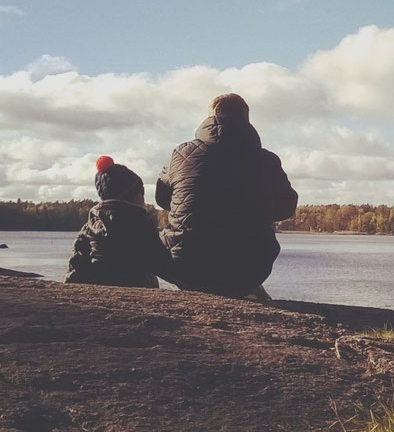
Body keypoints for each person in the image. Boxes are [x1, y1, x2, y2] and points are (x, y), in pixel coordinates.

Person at [156, 93, 298, 298]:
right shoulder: (267, 160)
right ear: (246, 119)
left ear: (211, 116)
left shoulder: (181, 154)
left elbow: (162, 198)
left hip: (186, 264)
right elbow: (287, 207)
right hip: (248, 269)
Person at [66, 155, 170, 287]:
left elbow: (76, 267)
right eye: (142, 193)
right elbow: (162, 264)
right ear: (135, 196)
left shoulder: (89, 227)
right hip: (138, 285)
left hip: (97, 284)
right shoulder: (140, 225)